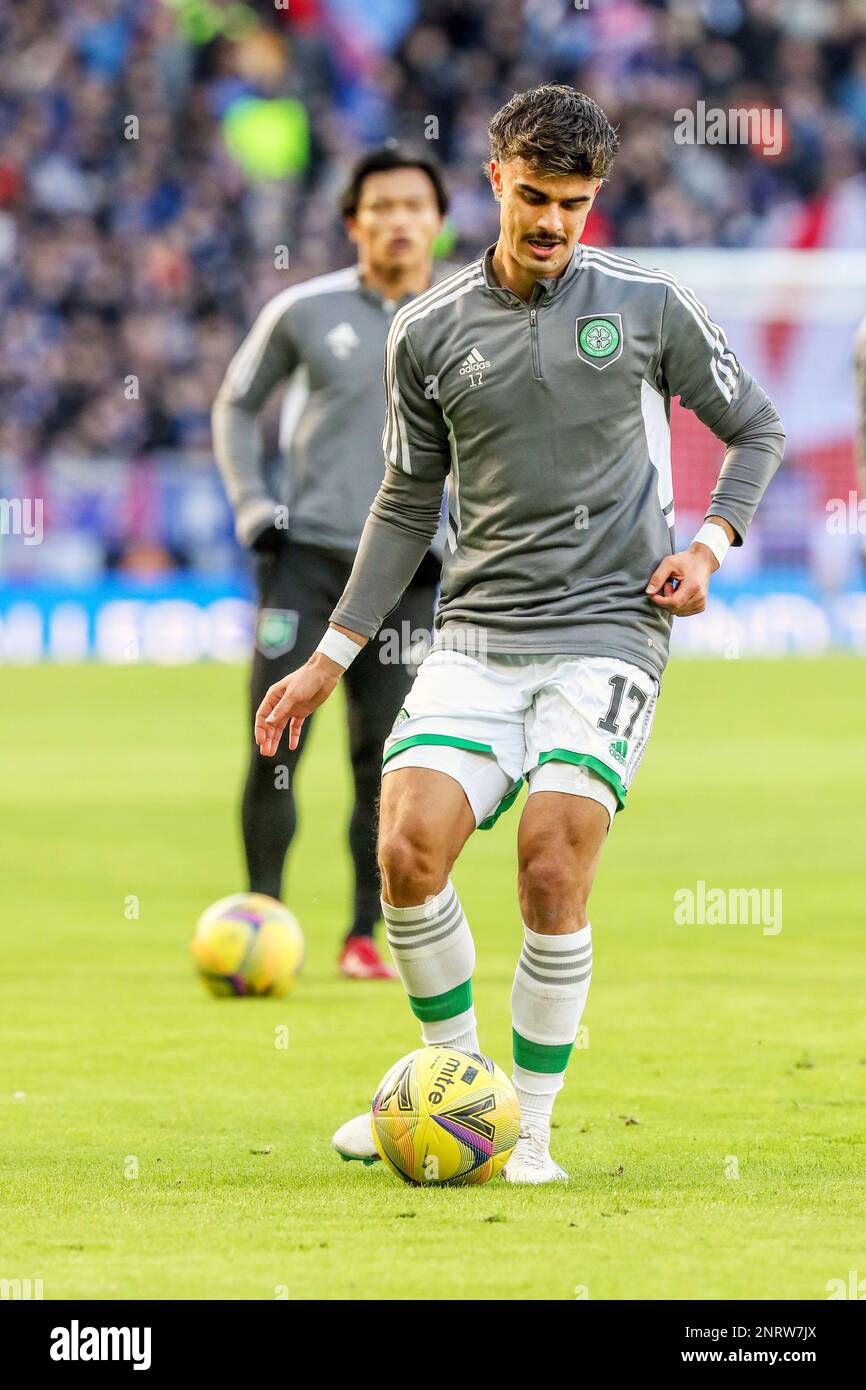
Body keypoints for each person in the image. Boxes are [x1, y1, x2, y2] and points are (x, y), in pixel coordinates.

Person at [253, 86, 786, 1181]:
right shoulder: (429, 330)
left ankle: (528, 1129)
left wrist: (709, 544)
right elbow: (405, 503)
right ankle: (457, 1092)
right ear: (493, 180)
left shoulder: (647, 305)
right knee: (404, 850)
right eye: (533, 197)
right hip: (475, 633)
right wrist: (327, 657)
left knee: (550, 861)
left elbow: (754, 426)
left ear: (594, 201)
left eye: (573, 204)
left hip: (608, 631)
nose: (550, 223)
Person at [213, 145, 449, 980]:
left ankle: (362, 937)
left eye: (413, 206)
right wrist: (252, 508)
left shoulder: (466, 317)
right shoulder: (303, 311)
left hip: (412, 577)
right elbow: (236, 403)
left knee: (387, 758)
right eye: (379, 206)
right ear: (354, 222)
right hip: (306, 562)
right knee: (276, 744)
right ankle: (259, 924)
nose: (397, 220)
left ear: (438, 222)